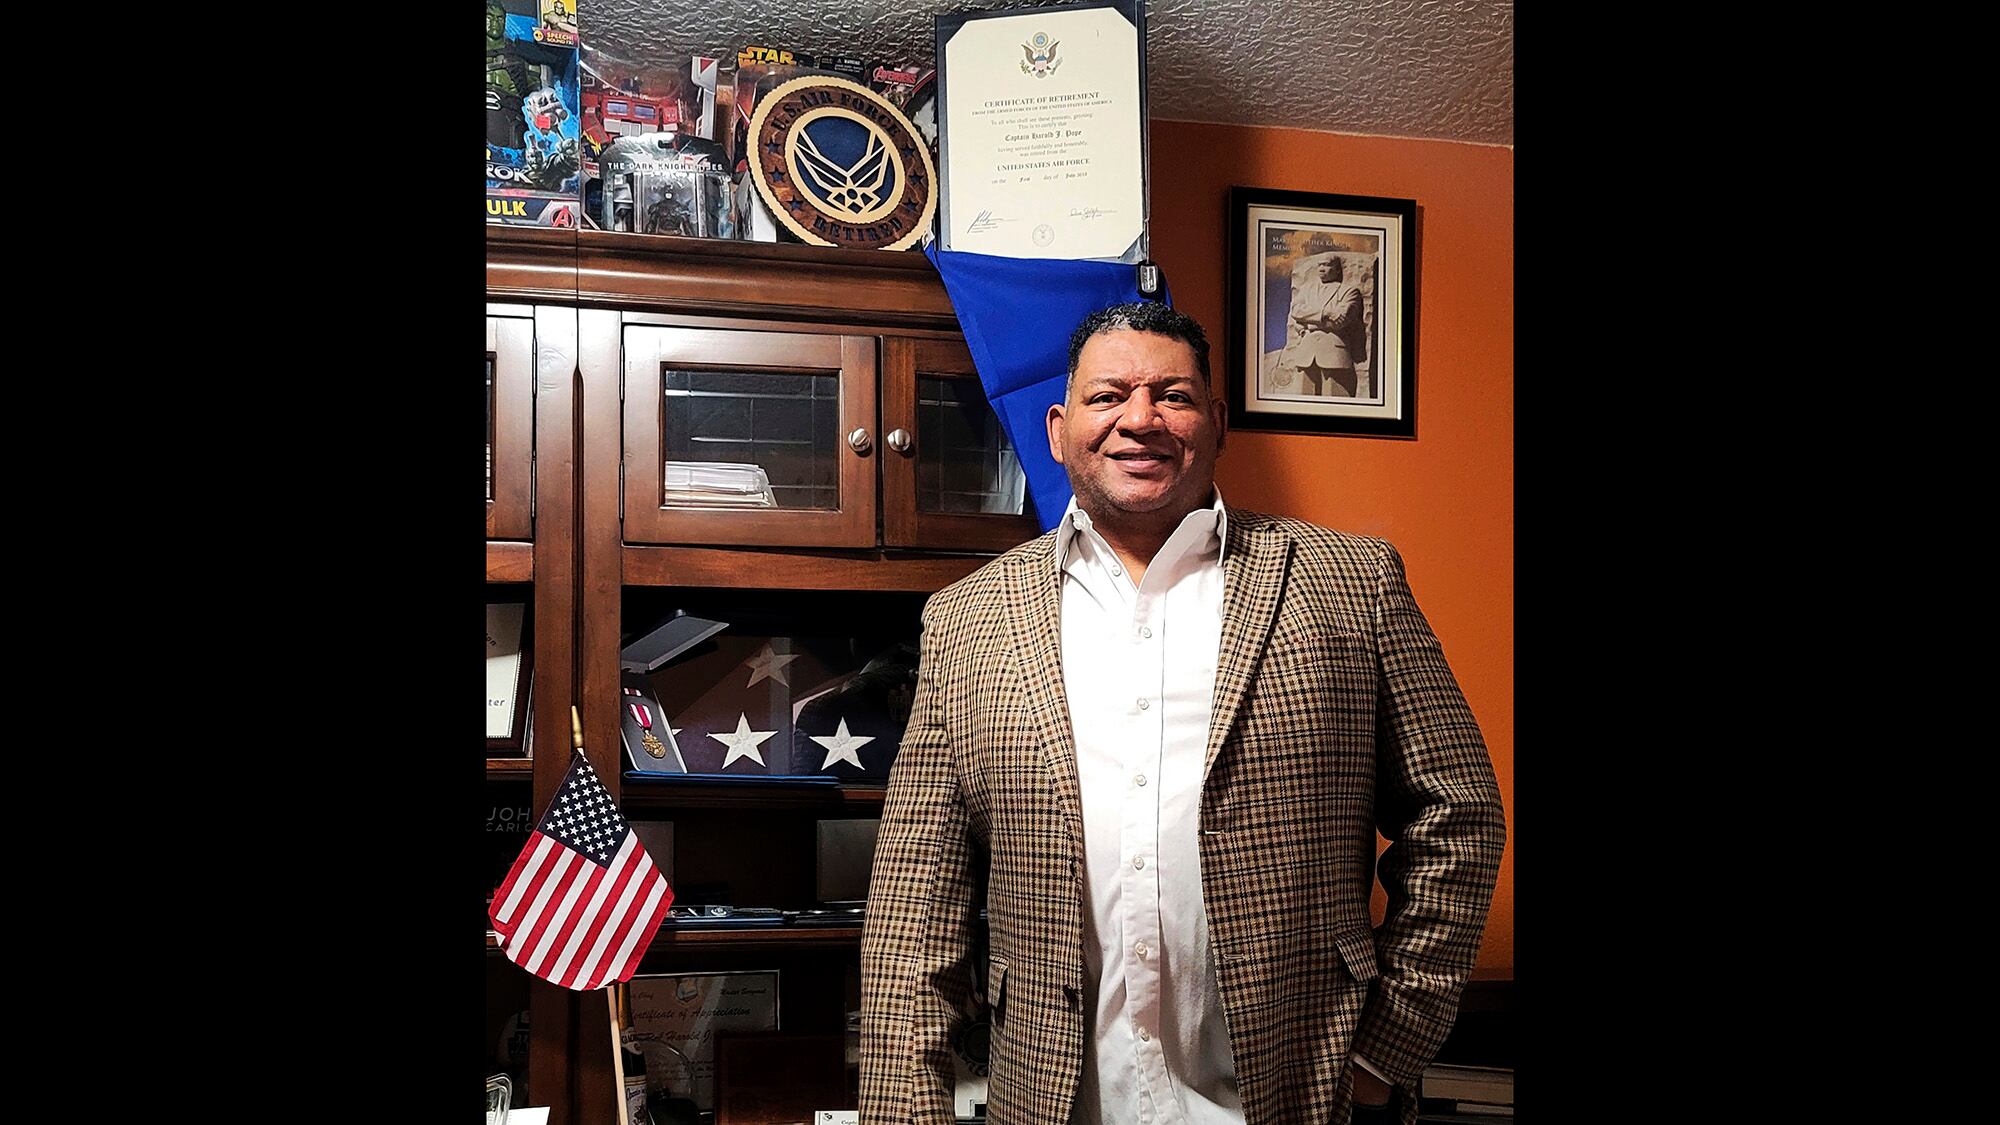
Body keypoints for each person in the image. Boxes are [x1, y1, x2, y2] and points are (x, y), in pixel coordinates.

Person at [859, 301, 1504, 1125]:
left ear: (1218, 422)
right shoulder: (967, 619)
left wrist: (1388, 1048)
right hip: (1052, 1102)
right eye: (1108, 396)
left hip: (1301, 1093)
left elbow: (1459, 813)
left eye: (1173, 394)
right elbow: (917, 900)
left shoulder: (1352, 582)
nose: (1141, 418)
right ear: (1058, 429)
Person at [1280, 255, 1366, 397]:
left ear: (1337, 270)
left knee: (1336, 401)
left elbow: (1341, 320)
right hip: (1306, 352)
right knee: (1303, 402)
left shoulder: (1349, 291)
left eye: (1326, 265)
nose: (1321, 269)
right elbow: (1296, 311)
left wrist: (1309, 321)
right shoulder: (1307, 289)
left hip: (1334, 352)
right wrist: (1326, 313)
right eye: (1319, 265)